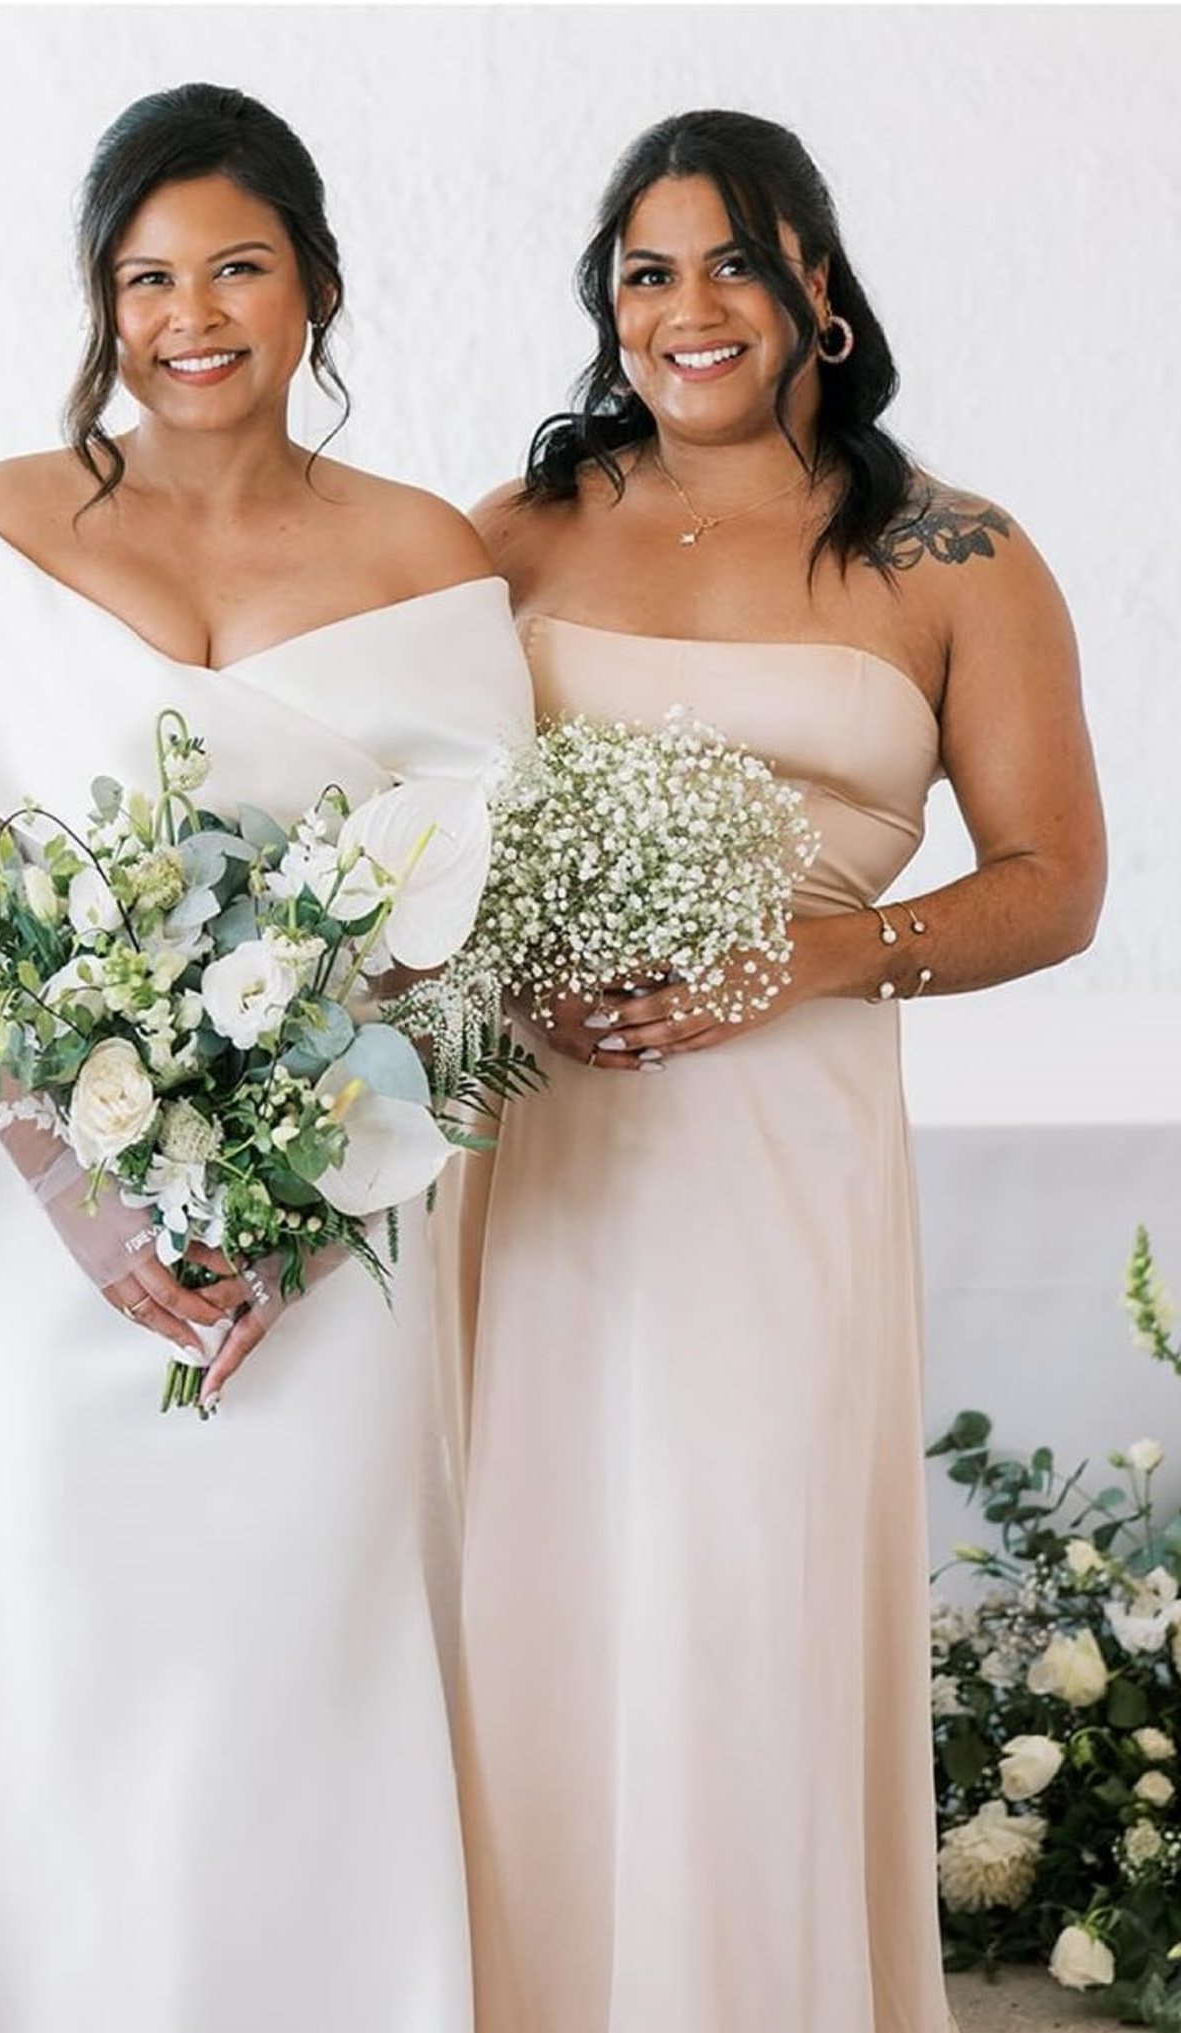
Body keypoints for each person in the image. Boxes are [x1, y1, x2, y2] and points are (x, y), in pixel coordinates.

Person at [0, 83, 531, 2033]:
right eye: (145, 275)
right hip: (52, 1224)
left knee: (315, 1632)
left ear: (313, 286)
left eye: (237, 265)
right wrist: (68, 1187)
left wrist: (311, 1196)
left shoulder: (421, 551)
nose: (190, 313)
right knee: (75, 1635)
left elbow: (443, 914)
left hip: (345, 1217)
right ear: (95, 299)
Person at [455, 109, 1106, 2033]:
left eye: (733, 259)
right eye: (644, 273)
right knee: (539, 1593)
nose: (690, 308)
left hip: (782, 1148)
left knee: (744, 1592)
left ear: (819, 284)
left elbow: (1056, 882)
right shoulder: (519, 529)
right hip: (545, 1138)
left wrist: (817, 956)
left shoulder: (952, 550)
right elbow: (378, 808)